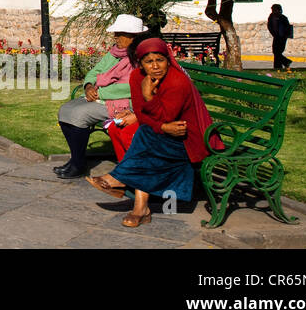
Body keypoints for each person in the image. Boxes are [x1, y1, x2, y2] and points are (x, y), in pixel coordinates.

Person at [86, 38, 222, 228]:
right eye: (149, 62)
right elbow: (143, 114)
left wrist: (149, 96)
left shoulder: (177, 81)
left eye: (160, 60)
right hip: (165, 136)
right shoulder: (136, 77)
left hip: (189, 140)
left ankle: (120, 180)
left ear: (168, 60)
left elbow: (166, 117)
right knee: (145, 136)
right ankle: (140, 208)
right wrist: (164, 127)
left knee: (146, 137)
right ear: (140, 64)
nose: (156, 66)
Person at [52, 15, 145, 179]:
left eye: (120, 33)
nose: (115, 37)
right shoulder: (114, 53)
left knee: (78, 114)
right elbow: (94, 72)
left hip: (124, 104)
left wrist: (99, 93)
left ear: (134, 36)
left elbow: (130, 88)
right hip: (100, 96)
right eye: (115, 33)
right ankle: (77, 159)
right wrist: (88, 86)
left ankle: (78, 164)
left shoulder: (139, 57)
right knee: (65, 110)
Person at [267, 4, 294, 70]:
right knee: (275, 52)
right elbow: (269, 26)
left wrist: (284, 35)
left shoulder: (283, 18)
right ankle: (281, 64)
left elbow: (287, 27)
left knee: (278, 52)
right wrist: (273, 33)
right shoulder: (271, 17)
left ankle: (281, 65)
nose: (274, 11)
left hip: (282, 37)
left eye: (275, 10)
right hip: (276, 36)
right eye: (273, 10)